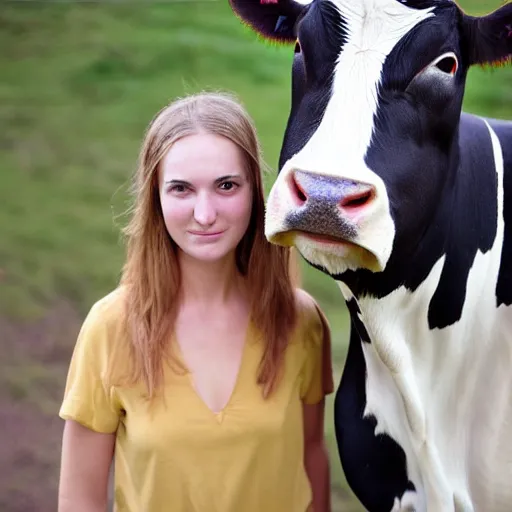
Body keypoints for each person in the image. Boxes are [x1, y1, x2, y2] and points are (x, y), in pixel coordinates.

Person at [57, 91, 334, 512]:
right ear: (156, 198)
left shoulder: (300, 322)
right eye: (181, 189)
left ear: (255, 193)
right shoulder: (109, 328)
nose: (204, 214)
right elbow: (80, 500)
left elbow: (311, 458)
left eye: (226, 186)